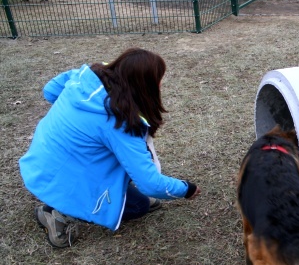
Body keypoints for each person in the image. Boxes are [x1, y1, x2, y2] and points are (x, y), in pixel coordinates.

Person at [19, 48, 201, 248]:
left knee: (123, 172)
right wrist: (187, 189)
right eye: (158, 79)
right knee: (139, 205)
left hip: (40, 160)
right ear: (143, 85)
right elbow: (151, 185)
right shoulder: (120, 123)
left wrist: (75, 125)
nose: (160, 84)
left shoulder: (84, 77)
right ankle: (53, 211)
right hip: (61, 178)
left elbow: (50, 91)